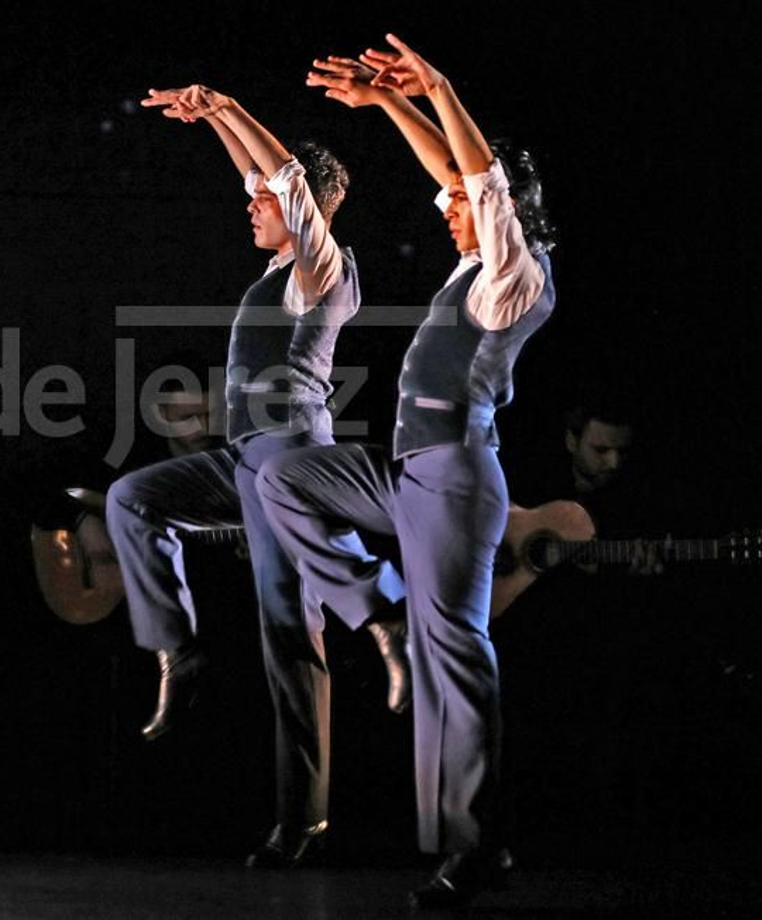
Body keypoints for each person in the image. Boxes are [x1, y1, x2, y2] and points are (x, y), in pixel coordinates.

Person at [263, 35, 558, 907]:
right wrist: (393, 107)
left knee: (455, 654)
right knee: (285, 478)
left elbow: (483, 184)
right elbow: (462, 180)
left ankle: (474, 844)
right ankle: (374, 608)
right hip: (406, 475)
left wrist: (441, 88)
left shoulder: (515, 274)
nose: (448, 209)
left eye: (465, 203)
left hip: (459, 480)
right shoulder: (474, 261)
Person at [105, 81, 400, 869]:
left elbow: (285, 188)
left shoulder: (321, 269)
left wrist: (236, 105)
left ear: (302, 204)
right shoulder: (278, 270)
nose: (250, 205)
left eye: (264, 198)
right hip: (243, 457)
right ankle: (179, 649)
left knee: (286, 635)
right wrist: (219, 120)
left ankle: (303, 816)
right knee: (132, 498)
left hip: (292, 459)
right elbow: (262, 179)